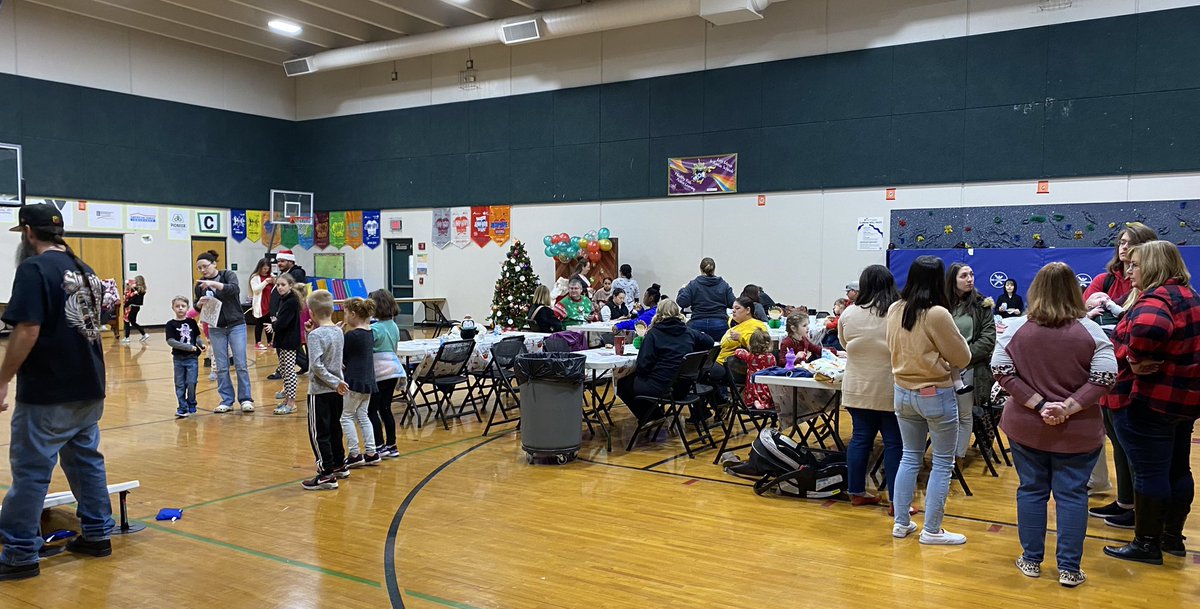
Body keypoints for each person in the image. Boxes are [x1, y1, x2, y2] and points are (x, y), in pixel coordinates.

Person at [0, 203, 115, 581]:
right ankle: (98, 533)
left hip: (49, 390)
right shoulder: (85, 269)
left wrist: (2, 379)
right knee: (86, 462)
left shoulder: (33, 269)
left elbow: (26, 330)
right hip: (89, 385)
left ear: (29, 234)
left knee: (32, 473)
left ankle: (19, 553)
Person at [991, 262, 1116, 588]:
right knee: (1073, 495)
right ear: (1075, 292)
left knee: (1031, 491)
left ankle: (1031, 561)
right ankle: (1069, 570)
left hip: (1026, 427)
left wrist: (1041, 405)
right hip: (1078, 432)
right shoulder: (1092, 332)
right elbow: (1105, 378)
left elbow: (1001, 372)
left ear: (1035, 291)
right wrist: (1067, 408)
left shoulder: (1014, 328)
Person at [1103, 240, 1200, 565]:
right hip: (1182, 401)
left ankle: (1146, 544)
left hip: (1148, 401)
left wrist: (1130, 355)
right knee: (1177, 469)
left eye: (1136, 265)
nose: (1130, 271)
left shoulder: (1156, 300)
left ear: (1155, 266)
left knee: (1149, 473)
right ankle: (1171, 537)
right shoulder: (1188, 295)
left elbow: (1146, 330)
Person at [886, 255, 972, 545]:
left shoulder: (895, 308)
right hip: (934, 392)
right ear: (939, 281)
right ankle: (932, 530)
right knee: (942, 462)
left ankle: (901, 523)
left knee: (909, 456)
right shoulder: (936, 313)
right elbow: (963, 356)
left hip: (901, 391)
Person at [1083, 222, 1158, 527]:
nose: (1124, 249)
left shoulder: (1149, 286)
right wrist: (1092, 307)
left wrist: (1117, 311)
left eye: (1130, 244)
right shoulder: (1105, 279)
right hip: (1106, 372)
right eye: (1121, 243)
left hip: (1133, 376)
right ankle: (1126, 502)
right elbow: (1081, 310)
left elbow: (1141, 326)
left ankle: (1144, 514)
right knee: (1116, 439)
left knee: (1134, 446)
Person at [838, 265, 904, 510]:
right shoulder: (898, 313)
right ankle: (897, 500)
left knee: (860, 439)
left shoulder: (849, 313)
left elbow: (845, 345)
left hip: (856, 387)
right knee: (894, 443)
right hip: (890, 387)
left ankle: (856, 491)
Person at [615, 299, 713, 423]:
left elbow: (642, 366)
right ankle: (654, 415)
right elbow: (709, 341)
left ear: (659, 313)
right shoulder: (688, 332)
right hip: (684, 386)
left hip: (662, 388)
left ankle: (652, 416)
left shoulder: (654, 334)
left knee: (624, 384)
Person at [946, 262, 997, 462]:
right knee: (943, 415)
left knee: (964, 415)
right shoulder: (940, 303)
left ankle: (957, 457)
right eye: (964, 276)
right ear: (953, 280)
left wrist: (963, 358)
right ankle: (944, 455)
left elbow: (987, 340)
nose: (970, 279)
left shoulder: (981, 303)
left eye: (972, 274)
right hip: (941, 369)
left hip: (969, 367)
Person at [194, 250, 254, 413]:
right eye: (199, 268)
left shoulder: (227, 275)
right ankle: (227, 399)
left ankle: (246, 399)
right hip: (216, 327)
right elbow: (195, 306)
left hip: (236, 325)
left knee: (241, 363)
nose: (203, 270)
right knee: (221, 366)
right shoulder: (200, 285)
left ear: (214, 264)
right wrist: (199, 303)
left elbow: (233, 289)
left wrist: (215, 285)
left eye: (205, 266)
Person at [303, 290, 349, 491]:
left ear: (311, 313)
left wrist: (332, 382)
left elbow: (316, 366)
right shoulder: (338, 331)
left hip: (321, 391)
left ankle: (326, 474)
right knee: (334, 429)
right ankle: (339, 464)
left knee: (318, 432)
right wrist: (337, 382)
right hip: (337, 390)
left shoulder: (315, 335)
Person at [340, 298, 380, 468]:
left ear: (354, 314)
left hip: (354, 381)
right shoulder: (370, 332)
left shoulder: (353, 335)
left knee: (346, 416)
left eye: (346, 313)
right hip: (368, 380)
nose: (345, 316)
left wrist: (338, 333)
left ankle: (355, 453)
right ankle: (371, 452)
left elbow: (342, 355)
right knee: (363, 415)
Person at [367, 290, 404, 459]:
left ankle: (379, 444)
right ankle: (392, 444)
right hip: (393, 370)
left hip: (379, 372)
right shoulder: (394, 326)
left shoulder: (374, 329)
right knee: (386, 408)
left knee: (371, 410)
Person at [709, 297, 770, 382]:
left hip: (733, 367)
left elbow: (758, 348)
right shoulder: (737, 325)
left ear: (748, 310)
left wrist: (741, 338)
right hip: (721, 361)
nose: (733, 311)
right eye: (733, 308)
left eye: (737, 308)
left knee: (699, 369)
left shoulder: (757, 326)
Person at [268, 273, 304, 416]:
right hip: (283, 341)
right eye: (278, 285)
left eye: (283, 285)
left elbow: (282, 322)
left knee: (289, 372)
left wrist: (274, 324)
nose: (280, 287)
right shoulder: (284, 300)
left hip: (289, 342)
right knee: (284, 370)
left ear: (290, 285)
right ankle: (287, 399)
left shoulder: (291, 301)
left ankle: (291, 402)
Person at [270, 250, 309, 379]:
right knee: (290, 345)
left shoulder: (296, 273)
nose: (279, 263)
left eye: (282, 261)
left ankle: (285, 370)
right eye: (278, 261)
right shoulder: (285, 274)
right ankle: (298, 366)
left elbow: (298, 293)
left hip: (290, 315)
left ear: (290, 261)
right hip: (284, 313)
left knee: (289, 345)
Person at [676, 257, 736, 342]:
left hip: (697, 324)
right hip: (720, 324)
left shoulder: (693, 284)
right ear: (714, 269)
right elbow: (732, 303)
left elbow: (682, 302)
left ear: (700, 269)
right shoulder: (723, 284)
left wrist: (682, 289)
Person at [166, 296, 206, 418]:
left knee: (192, 382)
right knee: (180, 383)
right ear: (173, 308)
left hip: (192, 358)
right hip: (178, 359)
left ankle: (191, 402)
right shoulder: (170, 324)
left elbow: (196, 337)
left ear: (187, 308)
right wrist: (188, 347)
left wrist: (201, 344)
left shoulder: (191, 322)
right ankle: (182, 407)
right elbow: (171, 341)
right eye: (177, 306)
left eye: (183, 306)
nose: (180, 308)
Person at [734, 329, 777, 410]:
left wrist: (741, 350)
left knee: (753, 393)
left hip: (753, 381)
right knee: (766, 393)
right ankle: (766, 403)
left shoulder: (750, 356)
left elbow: (738, 352)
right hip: (767, 380)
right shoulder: (771, 357)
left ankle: (755, 402)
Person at [249, 258, 274, 350]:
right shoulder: (255, 277)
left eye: (267, 269)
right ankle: (258, 342)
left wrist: (275, 281)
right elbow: (256, 290)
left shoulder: (271, 276)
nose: (265, 271)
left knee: (269, 323)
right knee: (259, 323)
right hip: (260, 304)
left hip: (269, 303)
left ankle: (270, 342)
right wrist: (265, 282)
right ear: (260, 268)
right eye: (264, 269)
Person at [121, 275, 147, 344]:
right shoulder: (142, 289)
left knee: (126, 321)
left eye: (135, 280)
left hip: (131, 307)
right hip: (137, 307)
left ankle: (127, 337)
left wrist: (125, 305)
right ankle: (144, 334)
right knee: (132, 322)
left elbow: (131, 299)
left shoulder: (135, 289)